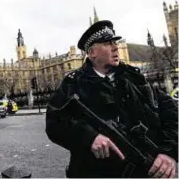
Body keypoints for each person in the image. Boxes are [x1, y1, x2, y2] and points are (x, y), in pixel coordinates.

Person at [45, 20, 178, 178]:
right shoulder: (72, 84)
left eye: (115, 42)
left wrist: (168, 152)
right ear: (92, 53)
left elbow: (171, 113)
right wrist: (89, 137)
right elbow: (54, 123)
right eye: (108, 43)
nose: (116, 47)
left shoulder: (136, 79)